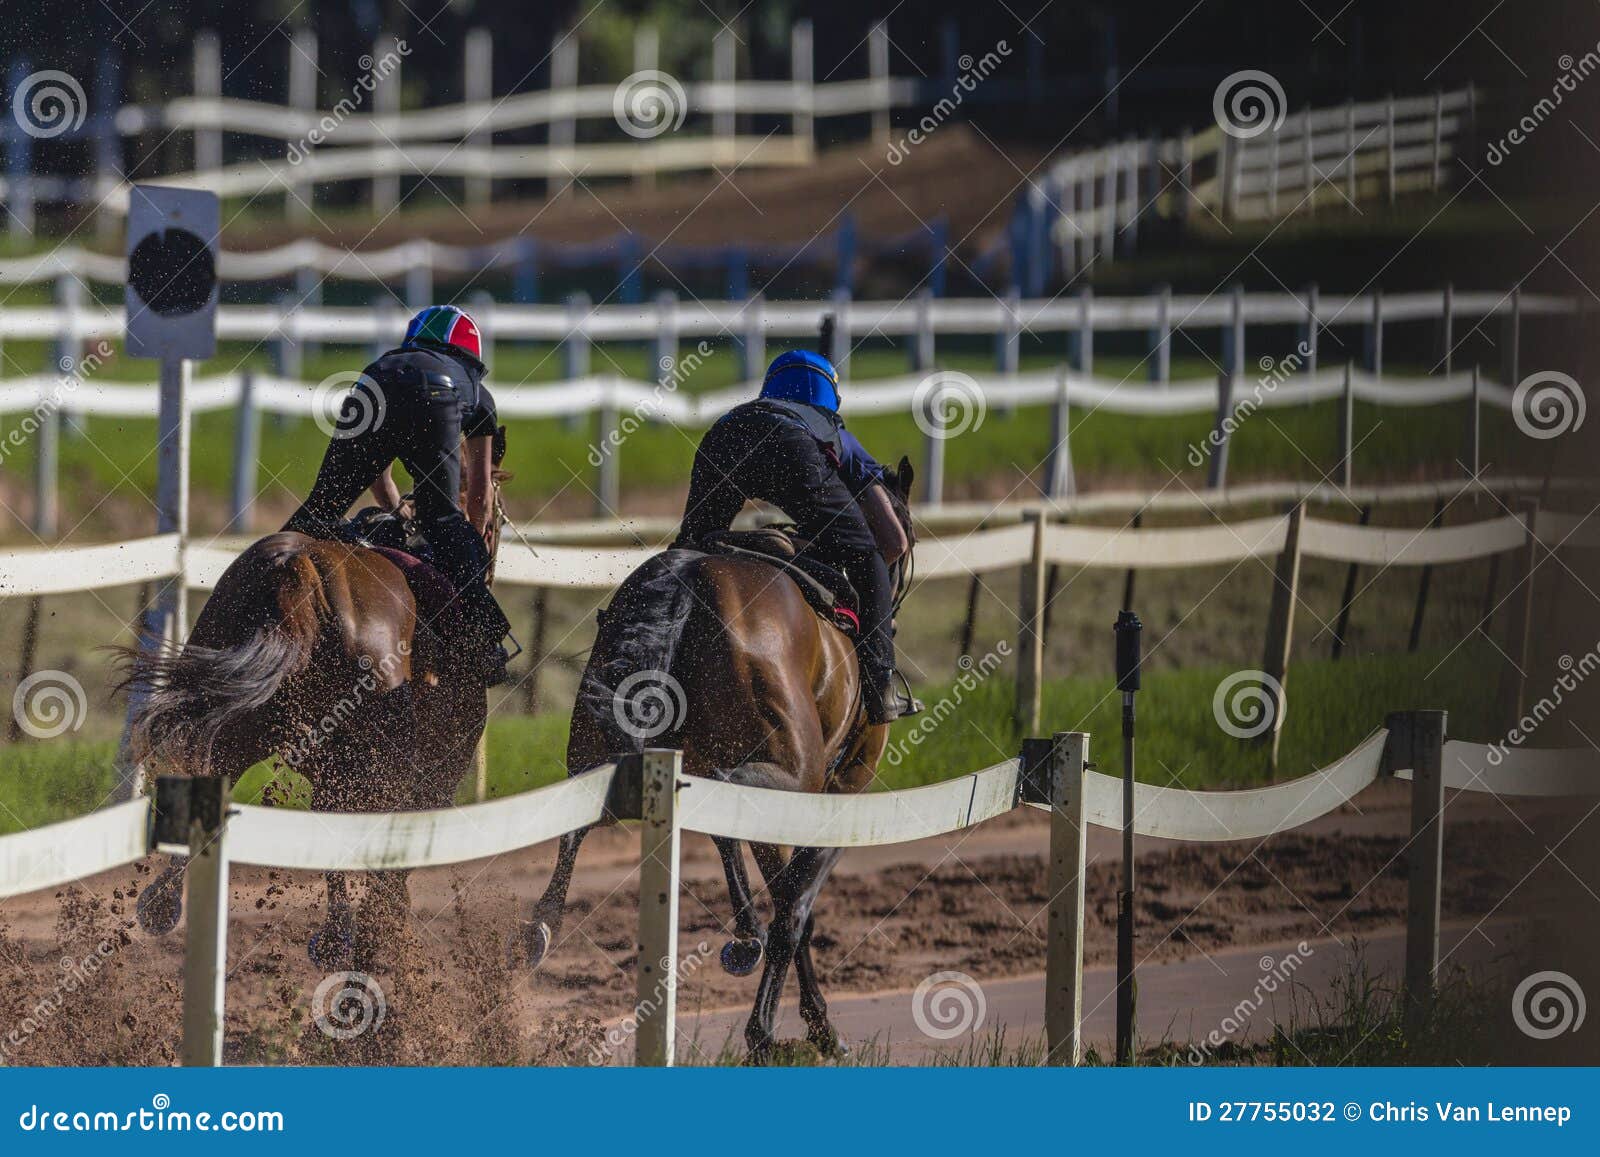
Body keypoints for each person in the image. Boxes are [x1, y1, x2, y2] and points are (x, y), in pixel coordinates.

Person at [677, 348, 917, 723]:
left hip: (722, 439)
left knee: (690, 549)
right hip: (793, 447)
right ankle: (881, 685)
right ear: (829, 398)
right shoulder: (833, 429)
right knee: (866, 555)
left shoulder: (740, 415)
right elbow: (895, 542)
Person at [283, 304, 512, 685]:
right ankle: (486, 643)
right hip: (435, 394)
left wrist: (396, 514)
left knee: (316, 515)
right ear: (470, 354)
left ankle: (242, 610)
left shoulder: (393, 364)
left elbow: (380, 474)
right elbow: (479, 496)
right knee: (444, 521)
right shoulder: (476, 391)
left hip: (371, 383)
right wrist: (468, 541)